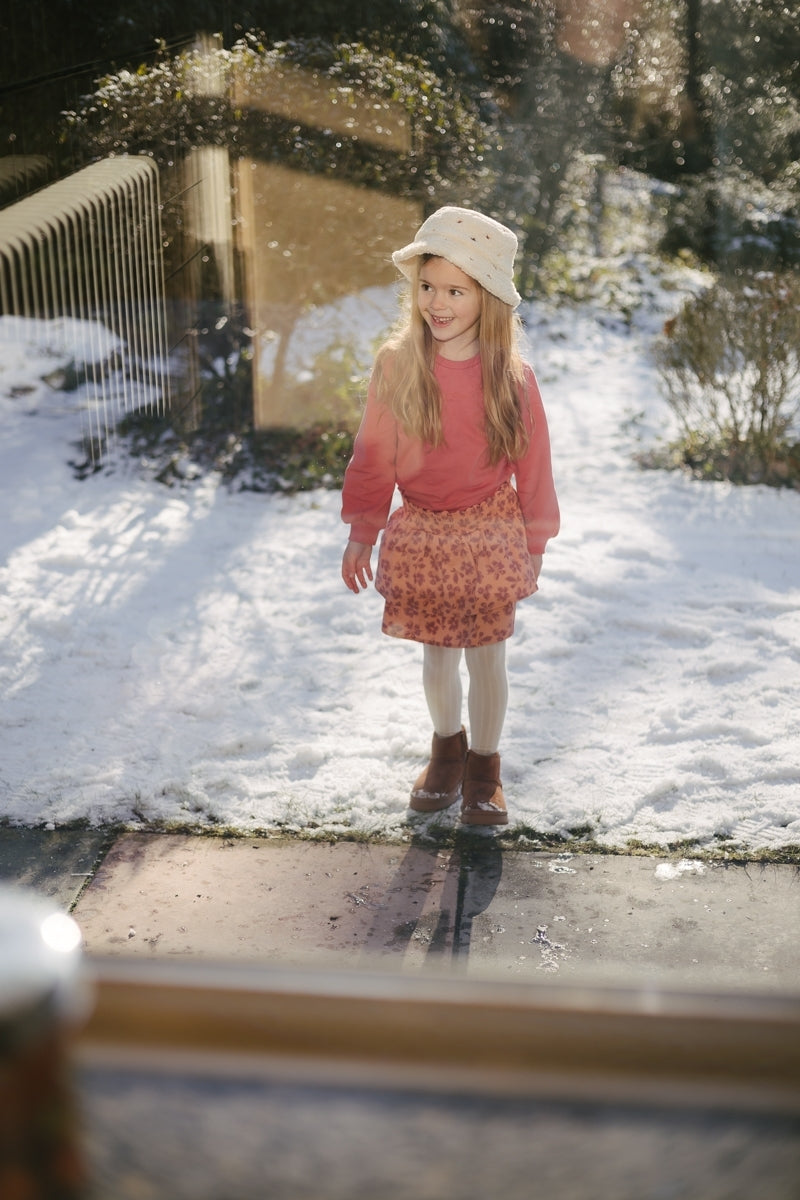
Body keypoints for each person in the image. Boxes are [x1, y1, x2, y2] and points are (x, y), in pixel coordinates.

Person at [340, 206, 559, 826]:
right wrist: (362, 531)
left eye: (455, 291)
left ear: (487, 297)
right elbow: (373, 455)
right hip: (424, 532)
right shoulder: (397, 364)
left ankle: (485, 768)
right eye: (427, 286)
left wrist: (536, 541)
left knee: (487, 655)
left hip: (491, 532)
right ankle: (446, 752)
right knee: (437, 655)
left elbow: (535, 465)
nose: (437, 303)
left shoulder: (510, 376)